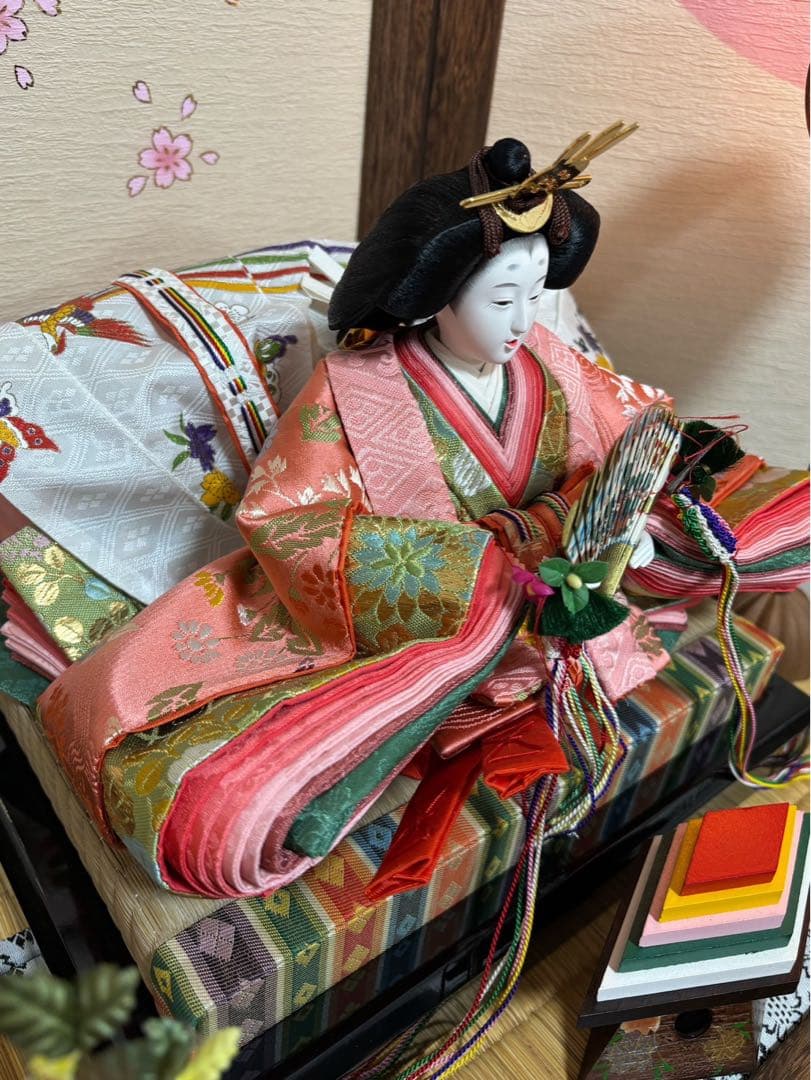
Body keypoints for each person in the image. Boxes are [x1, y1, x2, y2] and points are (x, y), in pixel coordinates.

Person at [37, 129, 808, 901]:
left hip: (559, 597)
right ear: (436, 293)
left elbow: (628, 430)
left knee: (769, 529)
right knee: (220, 814)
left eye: (535, 294)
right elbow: (288, 519)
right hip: (434, 615)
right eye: (500, 299)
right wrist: (469, 574)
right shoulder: (354, 386)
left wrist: (625, 517)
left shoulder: (547, 360)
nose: (521, 321)